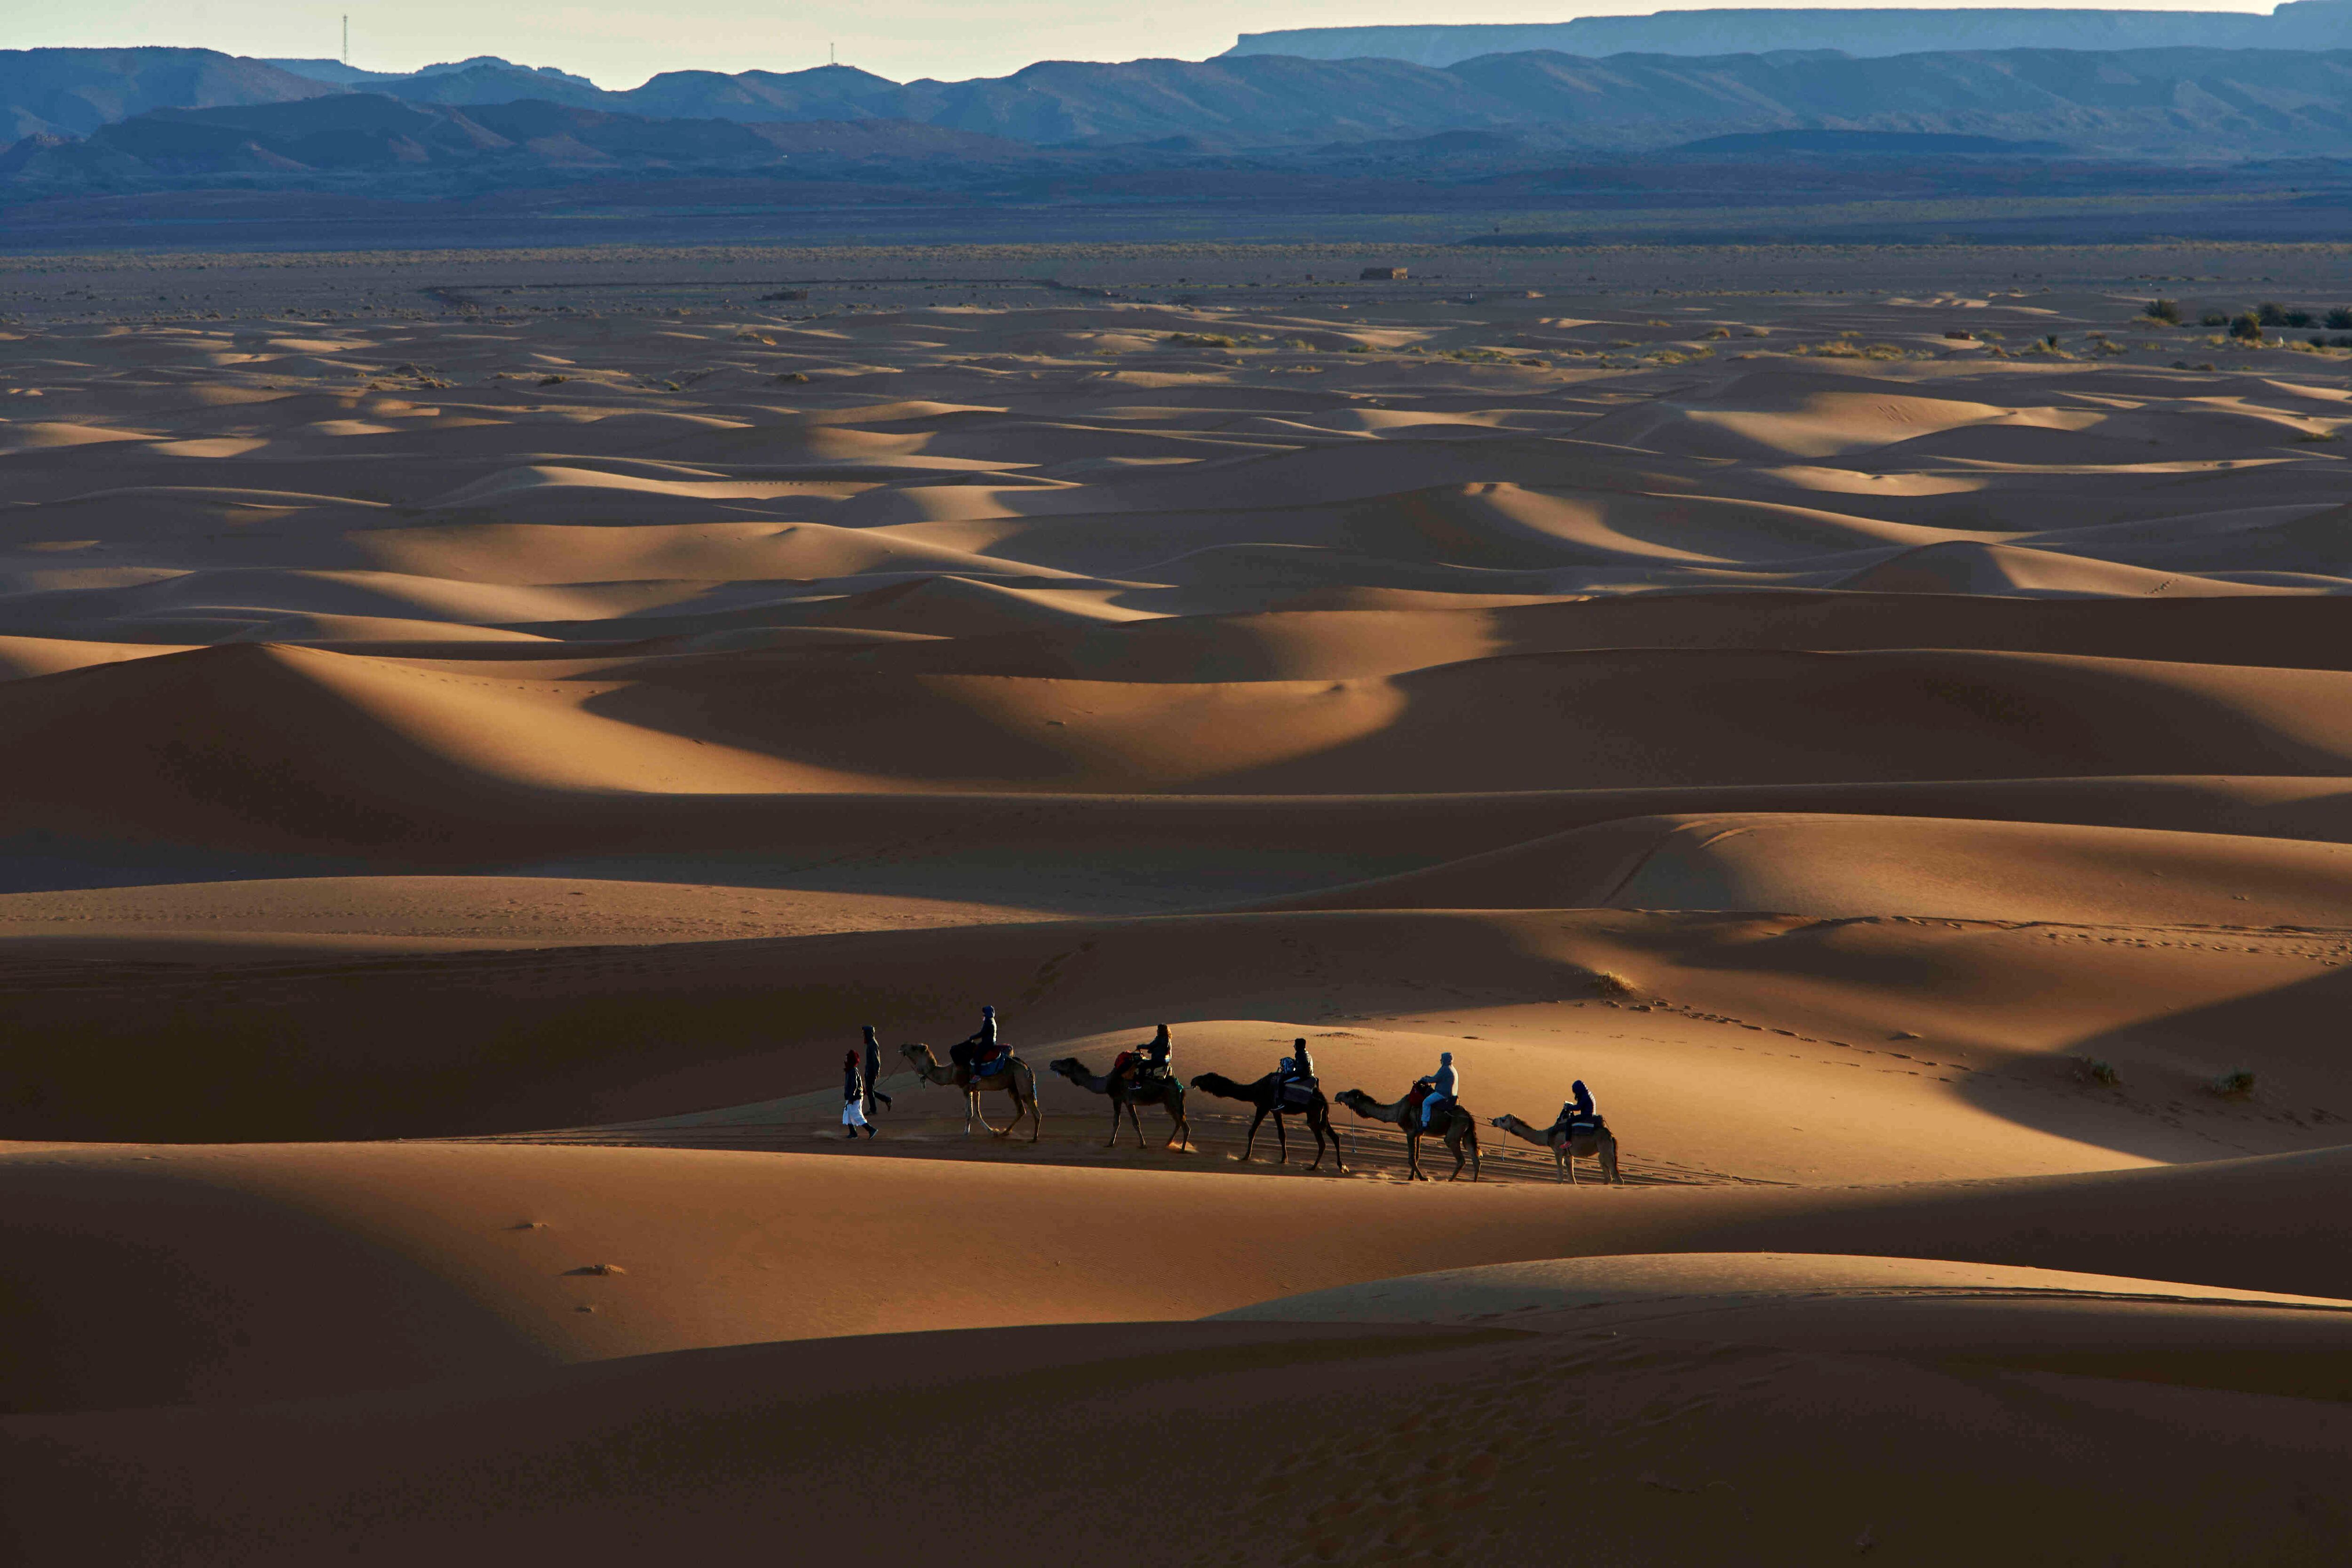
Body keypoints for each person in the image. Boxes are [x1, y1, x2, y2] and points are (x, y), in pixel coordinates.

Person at [949, 1005, 1000, 1084]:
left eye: (984, 1013)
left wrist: (972, 1037)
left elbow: (982, 1033)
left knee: (977, 1055)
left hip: (988, 1044)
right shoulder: (991, 1020)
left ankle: (978, 1075)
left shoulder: (989, 1022)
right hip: (989, 1042)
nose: (983, 1015)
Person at [1413, 1050, 1460, 1130]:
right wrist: (1429, 1078)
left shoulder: (1445, 1069)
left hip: (1443, 1094)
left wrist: (1424, 1079)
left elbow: (1434, 1080)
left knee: (1426, 1102)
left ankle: (1425, 1124)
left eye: (1442, 1059)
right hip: (1452, 1094)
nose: (1441, 1060)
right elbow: (1438, 1078)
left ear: (1445, 1060)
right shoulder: (1452, 1069)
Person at [841, 1050, 875, 1138]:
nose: (845, 1060)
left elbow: (855, 1085)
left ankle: (871, 1130)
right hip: (852, 1097)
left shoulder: (853, 1071)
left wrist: (851, 1098)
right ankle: (853, 1133)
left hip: (855, 1098)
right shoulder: (850, 1070)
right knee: (847, 1114)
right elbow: (859, 1082)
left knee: (856, 1114)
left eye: (847, 1058)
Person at [861, 1026, 892, 1119]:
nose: (863, 1035)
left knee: (869, 1090)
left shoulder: (873, 1044)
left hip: (872, 1071)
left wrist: (876, 1071)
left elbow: (876, 1059)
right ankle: (887, 1099)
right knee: (869, 1090)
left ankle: (873, 1109)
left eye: (865, 1033)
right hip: (869, 1071)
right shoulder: (870, 1044)